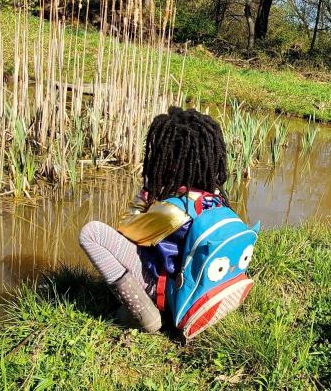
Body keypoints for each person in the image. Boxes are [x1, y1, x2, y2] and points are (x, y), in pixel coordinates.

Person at [78, 106, 230, 333]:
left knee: (92, 234)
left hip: (171, 290)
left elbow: (126, 229)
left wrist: (145, 195)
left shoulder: (172, 210)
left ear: (166, 159)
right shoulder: (216, 199)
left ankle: (146, 315)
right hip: (202, 284)